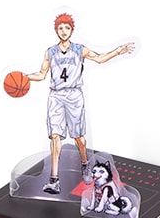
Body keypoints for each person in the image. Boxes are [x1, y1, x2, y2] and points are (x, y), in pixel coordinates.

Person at [25, 12, 135, 195]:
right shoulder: (50, 52)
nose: (63, 31)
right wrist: (24, 77)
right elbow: (41, 74)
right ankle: (54, 180)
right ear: (56, 30)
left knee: (79, 139)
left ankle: (85, 163)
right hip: (56, 95)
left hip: (74, 95)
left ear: (72, 30)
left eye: (67, 27)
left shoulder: (79, 49)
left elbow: (99, 58)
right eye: (60, 28)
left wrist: (118, 51)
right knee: (55, 136)